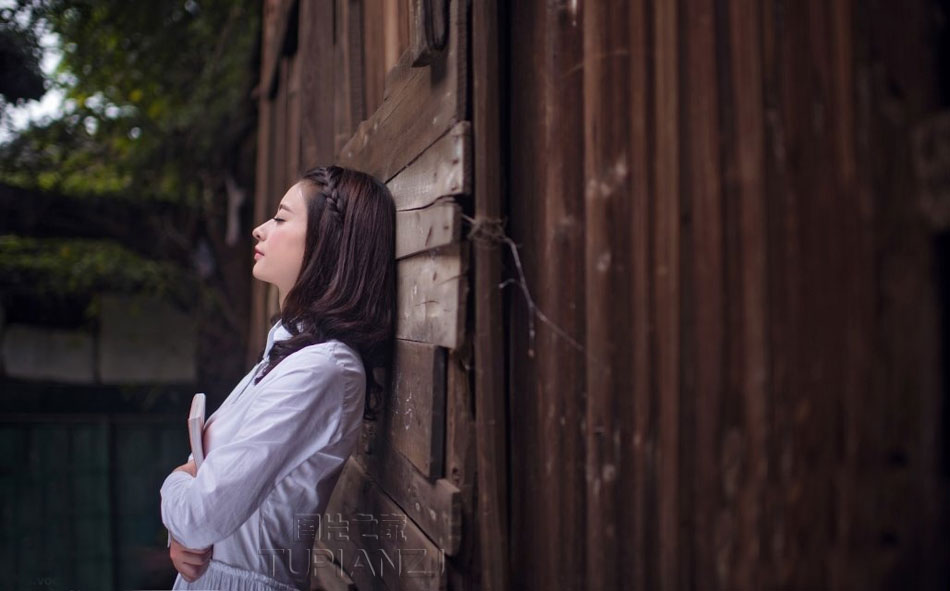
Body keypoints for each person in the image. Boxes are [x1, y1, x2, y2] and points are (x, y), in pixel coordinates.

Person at [160, 165, 396, 591]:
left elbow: (202, 513)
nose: (258, 229)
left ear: (328, 244)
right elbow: (199, 516)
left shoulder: (324, 368)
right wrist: (182, 533)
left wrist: (175, 484)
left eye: (281, 218)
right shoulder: (284, 355)